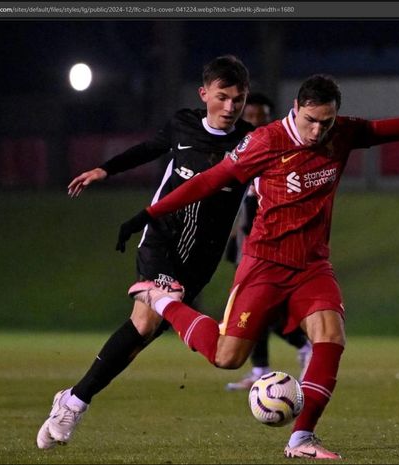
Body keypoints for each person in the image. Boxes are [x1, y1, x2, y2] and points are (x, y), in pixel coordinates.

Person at [116, 74, 399, 459]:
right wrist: (148, 214)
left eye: (325, 122)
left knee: (331, 336)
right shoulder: (264, 141)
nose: (316, 131)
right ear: (295, 109)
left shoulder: (342, 132)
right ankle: (160, 300)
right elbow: (208, 181)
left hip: (311, 266)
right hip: (264, 265)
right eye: (310, 121)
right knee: (226, 357)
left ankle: (301, 438)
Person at [36, 55, 255, 450]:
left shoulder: (251, 142)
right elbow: (149, 148)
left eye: (237, 100)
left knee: (145, 327)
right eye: (221, 97)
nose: (229, 107)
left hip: (201, 257)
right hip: (163, 238)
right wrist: (105, 170)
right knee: (149, 315)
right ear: (203, 93)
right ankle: (76, 403)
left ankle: (71, 398)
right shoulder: (182, 124)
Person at [224, 92, 312, 391]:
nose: (254, 121)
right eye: (249, 116)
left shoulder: (277, 146)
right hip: (247, 237)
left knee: (261, 309)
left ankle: (302, 345)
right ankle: (262, 367)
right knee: (253, 309)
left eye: (260, 116)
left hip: (269, 241)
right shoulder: (240, 145)